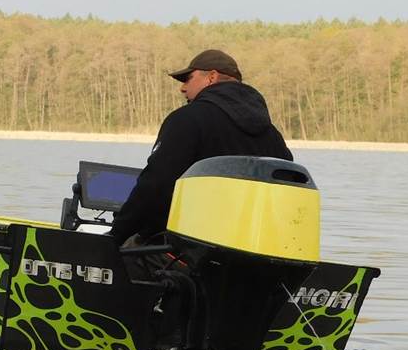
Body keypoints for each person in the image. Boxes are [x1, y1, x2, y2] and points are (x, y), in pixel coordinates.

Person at [109, 49, 292, 246]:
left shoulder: (188, 119)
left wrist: (116, 235)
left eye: (187, 79)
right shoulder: (272, 135)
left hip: (192, 253)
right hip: (254, 252)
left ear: (211, 77)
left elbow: (155, 187)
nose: (182, 88)